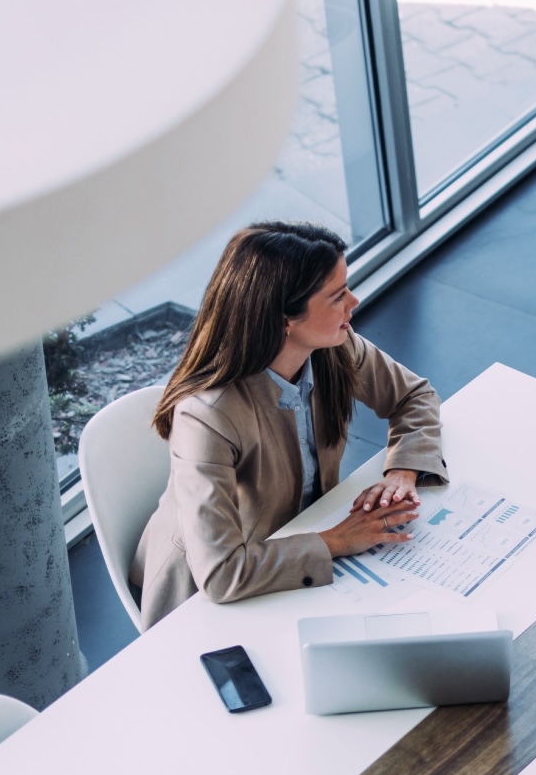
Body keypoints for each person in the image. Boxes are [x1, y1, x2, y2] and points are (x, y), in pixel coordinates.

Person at [132, 221, 448, 629]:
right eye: (337, 296)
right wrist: (338, 540)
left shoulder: (333, 345)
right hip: (209, 599)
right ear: (285, 318)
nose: (354, 301)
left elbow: (414, 397)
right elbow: (222, 574)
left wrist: (402, 472)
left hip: (300, 538)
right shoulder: (206, 416)